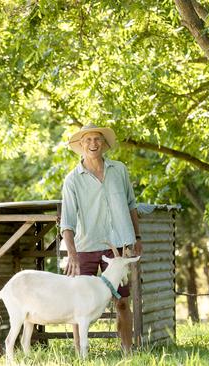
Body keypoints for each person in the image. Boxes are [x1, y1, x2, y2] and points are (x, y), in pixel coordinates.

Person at [59, 123, 142, 354]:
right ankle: (80, 352)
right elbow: (66, 222)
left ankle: (127, 351)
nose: (93, 144)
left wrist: (136, 236)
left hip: (119, 246)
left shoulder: (120, 170)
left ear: (104, 144)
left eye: (97, 139)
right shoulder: (72, 180)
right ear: (81, 145)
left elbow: (131, 205)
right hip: (86, 247)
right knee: (78, 304)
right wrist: (72, 254)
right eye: (88, 140)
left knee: (123, 301)